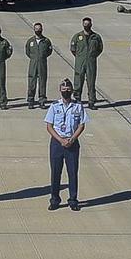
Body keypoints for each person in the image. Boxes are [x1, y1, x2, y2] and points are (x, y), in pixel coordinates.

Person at [44, 78, 87, 211]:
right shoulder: (54, 106)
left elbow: (81, 124)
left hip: (72, 142)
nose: (66, 92)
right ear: (60, 91)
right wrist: (60, 140)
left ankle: (73, 200)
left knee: (72, 173)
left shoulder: (78, 106)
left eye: (68, 89)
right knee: (56, 173)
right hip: (57, 143)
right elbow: (49, 126)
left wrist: (72, 139)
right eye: (64, 90)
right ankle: (55, 200)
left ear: (72, 90)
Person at [71, 17, 103, 109]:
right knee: (78, 81)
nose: (86, 26)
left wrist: (92, 56)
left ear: (91, 25)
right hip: (80, 62)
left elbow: (100, 49)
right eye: (85, 24)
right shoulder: (77, 36)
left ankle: (91, 101)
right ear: (82, 25)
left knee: (91, 82)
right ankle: (77, 100)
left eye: (88, 24)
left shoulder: (96, 37)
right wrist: (79, 57)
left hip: (91, 62)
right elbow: (73, 49)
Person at [24, 21, 53, 108]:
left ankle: (42, 100)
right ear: (34, 30)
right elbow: (28, 52)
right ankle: (31, 100)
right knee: (31, 82)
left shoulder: (46, 41)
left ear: (42, 29)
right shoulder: (30, 41)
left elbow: (49, 51)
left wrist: (42, 57)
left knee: (42, 82)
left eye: (39, 29)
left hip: (42, 64)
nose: (38, 30)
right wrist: (34, 58)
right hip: (33, 64)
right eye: (36, 29)